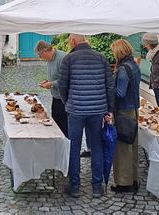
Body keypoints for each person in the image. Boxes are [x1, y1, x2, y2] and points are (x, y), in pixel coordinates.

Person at [58, 34, 115, 198]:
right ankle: (97, 187)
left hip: (76, 109)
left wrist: (67, 101)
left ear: (73, 41)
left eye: (70, 41)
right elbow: (109, 85)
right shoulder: (101, 58)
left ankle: (74, 186)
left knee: (74, 147)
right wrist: (109, 109)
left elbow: (62, 85)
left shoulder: (68, 59)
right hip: (97, 109)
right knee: (96, 146)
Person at [109, 39, 141, 193]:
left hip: (123, 111)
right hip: (134, 109)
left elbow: (120, 93)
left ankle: (124, 183)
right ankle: (134, 180)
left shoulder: (123, 69)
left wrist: (108, 89)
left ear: (119, 52)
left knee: (122, 148)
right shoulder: (134, 65)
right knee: (132, 146)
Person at [35, 40, 68, 137]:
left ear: (45, 51)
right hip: (56, 98)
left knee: (64, 129)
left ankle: (66, 150)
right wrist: (46, 81)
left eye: (40, 56)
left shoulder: (62, 58)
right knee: (55, 127)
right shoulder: (49, 60)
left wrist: (51, 84)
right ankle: (57, 150)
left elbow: (66, 79)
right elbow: (55, 76)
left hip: (65, 100)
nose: (41, 59)